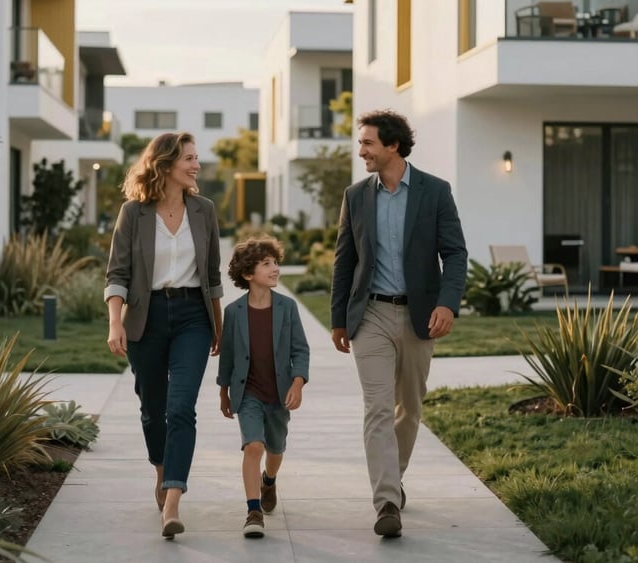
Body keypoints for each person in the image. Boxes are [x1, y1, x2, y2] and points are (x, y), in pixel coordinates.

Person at [330, 109, 467, 539]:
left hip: (419, 315)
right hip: (369, 314)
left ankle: (394, 476)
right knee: (376, 408)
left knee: (408, 408)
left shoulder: (435, 191)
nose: (362, 151)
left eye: (368, 143)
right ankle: (387, 500)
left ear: (392, 145)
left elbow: (456, 253)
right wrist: (338, 318)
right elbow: (344, 260)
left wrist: (448, 304)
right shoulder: (356, 196)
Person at [105, 131, 223, 539]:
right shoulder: (133, 213)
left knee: (181, 408)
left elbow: (212, 277)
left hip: (193, 315)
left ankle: (173, 498)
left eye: (196, 158)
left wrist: (218, 326)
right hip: (146, 317)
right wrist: (115, 321)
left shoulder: (204, 210)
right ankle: (161, 470)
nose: (196, 165)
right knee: (153, 409)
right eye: (189, 158)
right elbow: (117, 273)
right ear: (166, 164)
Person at [217, 235, 310, 539]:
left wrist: (298, 383)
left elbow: (300, 350)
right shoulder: (233, 313)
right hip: (248, 393)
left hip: (280, 393)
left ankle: (269, 479)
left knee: (276, 447)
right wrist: (223, 391)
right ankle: (253, 510)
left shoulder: (287, 307)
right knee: (253, 445)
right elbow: (228, 356)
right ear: (248, 274)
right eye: (266, 264)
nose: (275, 269)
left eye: (276, 263)